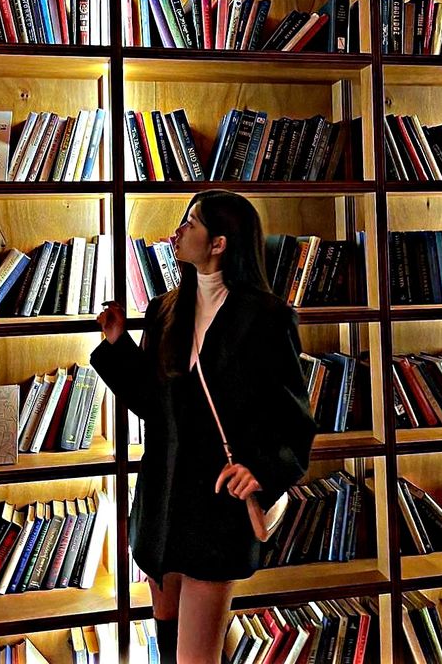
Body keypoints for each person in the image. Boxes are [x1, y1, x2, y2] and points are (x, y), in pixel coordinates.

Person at [91, 190, 317, 664]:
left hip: (218, 508)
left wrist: (262, 468)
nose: (178, 231)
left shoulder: (267, 317)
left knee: (197, 658)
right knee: (169, 648)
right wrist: (117, 344)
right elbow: (155, 404)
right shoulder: (166, 308)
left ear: (219, 243)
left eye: (190, 223)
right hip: (162, 500)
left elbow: (293, 416)